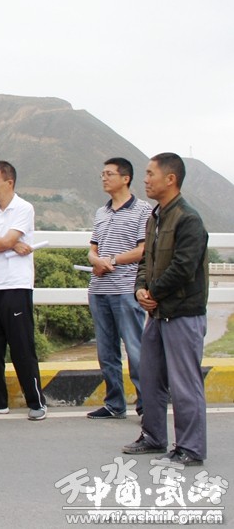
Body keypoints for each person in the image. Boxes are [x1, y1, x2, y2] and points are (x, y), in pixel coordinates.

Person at [123, 153, 209, 466]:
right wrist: (140, 289)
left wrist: (153, 293)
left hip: (182, 313)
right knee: (150, 377)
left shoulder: (188, 219)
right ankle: (153, 437)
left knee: (185, 384)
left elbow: (184, 267)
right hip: (158, 313)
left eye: (150, 174)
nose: (145, 180)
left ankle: (190, 448)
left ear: (170, 179)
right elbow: (146, 261)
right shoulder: (155, 217)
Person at [0, 160, 47, 420]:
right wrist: (9, 244)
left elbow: (1, 240)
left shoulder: (24, 208)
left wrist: (4, 242)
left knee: (22, 346)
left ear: (9, 182)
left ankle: (36, 401)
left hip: (16, 285)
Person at [86, 158, 151, 420]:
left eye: (109, 174)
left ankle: (147, 406)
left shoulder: (143, 210)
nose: (104, 178)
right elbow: (92, 250)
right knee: (106, 351)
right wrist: (96, 261)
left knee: (135, 349)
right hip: (99, 289)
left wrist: (111, 260)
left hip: (126, 288)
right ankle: (114, 403)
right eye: (102, 174)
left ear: (126, 178)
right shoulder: (101, 212)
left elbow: (143, 250)